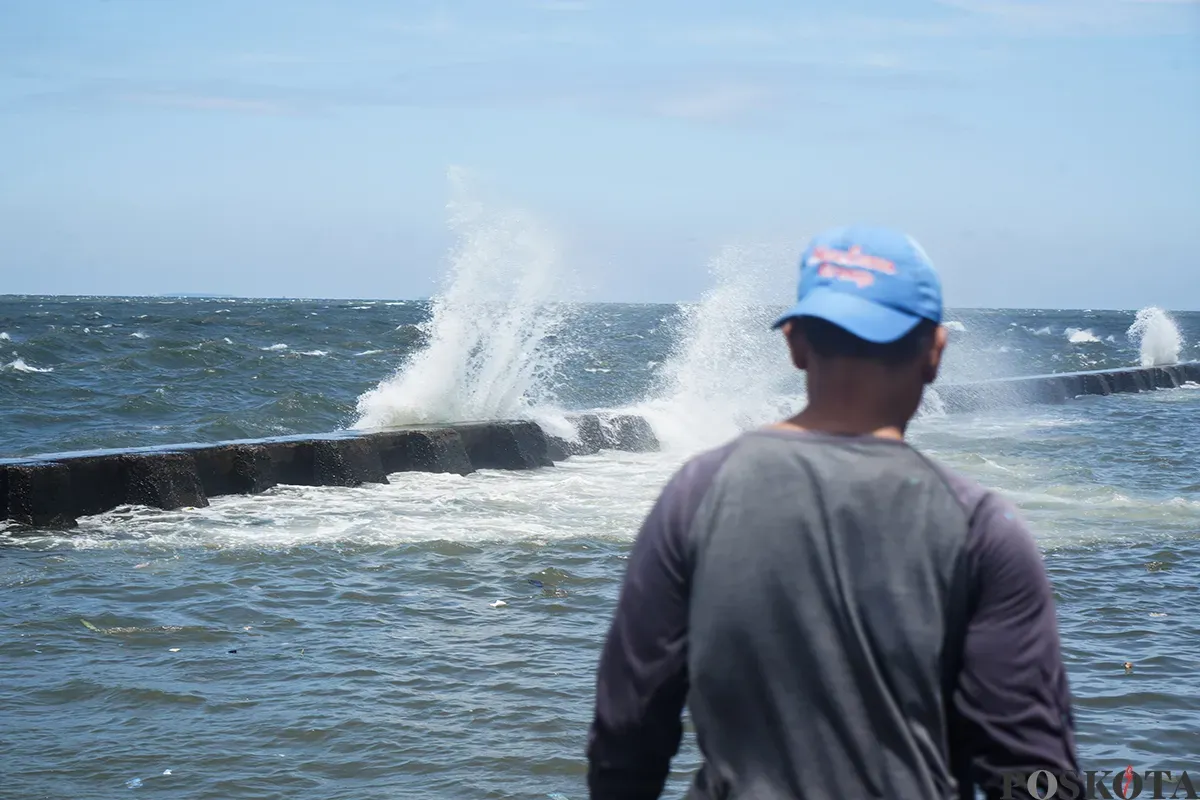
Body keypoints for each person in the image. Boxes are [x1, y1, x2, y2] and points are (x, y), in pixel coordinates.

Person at [585, 225, 1080, 799]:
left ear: (794, 343)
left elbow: (627, 730)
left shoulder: (698, 493)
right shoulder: (981, 527)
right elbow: (1029, 769)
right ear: (935, 353)